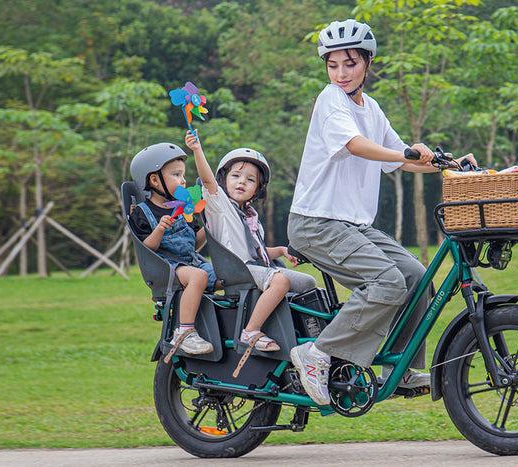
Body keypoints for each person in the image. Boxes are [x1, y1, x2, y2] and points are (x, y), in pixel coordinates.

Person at [287, 19, 476, 405]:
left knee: (416, 278)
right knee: (388, 283)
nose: (340, 73)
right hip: (316, 222)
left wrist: (449, 163)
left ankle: (399, 368)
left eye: (350, 63)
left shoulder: (370, 108)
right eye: (332, 64)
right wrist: (407, 152)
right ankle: (317, 354)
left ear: (368, 63)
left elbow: (403, 160)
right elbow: (357, 146)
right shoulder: (330, 101)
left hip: (352, 226)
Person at [185, 131, 316, 351]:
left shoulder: (251, 216)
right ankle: (251, 331)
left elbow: (258, 251)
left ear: (258, 189)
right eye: (236, 176)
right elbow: (207, 181)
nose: (241, 182)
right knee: (280, 281)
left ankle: (294, 331)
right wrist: (197, 150)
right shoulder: (220, 207)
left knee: (308, 283)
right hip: (237, 270)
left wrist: (283, 250)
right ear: (223, 179)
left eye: (250, 179)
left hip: (254, 267)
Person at [129, 143, 219, 355]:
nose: (184, 180)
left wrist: (209, 226)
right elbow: (147, 249)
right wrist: (159, 229)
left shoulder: (183, 208)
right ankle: (185, 332)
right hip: (166, 267)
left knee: (230, 274)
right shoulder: (143, 212)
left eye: (183, 175)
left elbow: (194, 245)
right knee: (198, 277)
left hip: (191, 263)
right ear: (154, 180)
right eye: (177, 175)